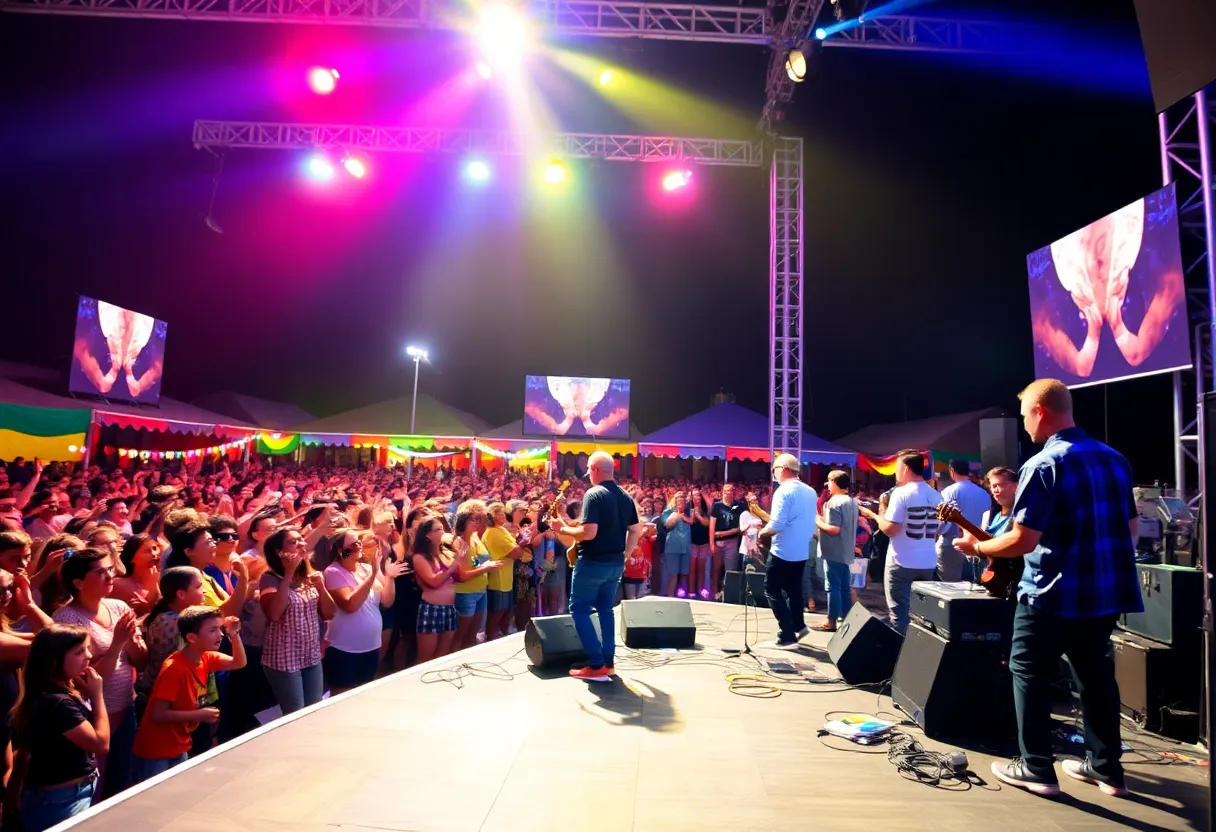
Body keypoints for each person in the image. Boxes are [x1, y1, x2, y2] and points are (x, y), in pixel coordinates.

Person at [953, 379, 1141, 798]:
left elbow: (1023, 539)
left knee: (1028, 672)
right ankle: (1107, 770)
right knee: (1095, 678)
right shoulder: (1116, 459)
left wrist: (978, 545)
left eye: (1024, 417)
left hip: (1051, 594)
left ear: (1039, 411)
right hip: (1105, 594)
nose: (1024, 426)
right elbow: (1130, 531)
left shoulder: (1043, 464)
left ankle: (1037, 768)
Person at [552, 451, 642, 682]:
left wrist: (561, 529)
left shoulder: (594, 494)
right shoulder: (624, 496)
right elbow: (635, 530)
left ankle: (596, 664)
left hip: (592, 562)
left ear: (593, 469)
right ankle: (608, 663)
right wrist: (625, 555)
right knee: (605, 609)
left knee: (580, 609)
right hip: (614, 564)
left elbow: (589, 533)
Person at [10, 625, 109, 831]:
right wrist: (98, 696)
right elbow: (100, 744)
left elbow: (25, 753)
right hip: (62, 801)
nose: (89, 656)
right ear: (55, 660)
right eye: (79, 651)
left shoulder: (51, 692)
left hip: (60, 795)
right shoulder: (58, 703)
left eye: (87, 649)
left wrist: (13, 795)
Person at [131, 607, 246, 782]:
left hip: (179, 744)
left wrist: (234, 634)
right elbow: (158, 714)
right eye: (212, 630)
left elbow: (239, 662)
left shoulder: (205, 657)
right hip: (157, 749)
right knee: (159, 799)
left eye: (220, 628)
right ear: (192, 638)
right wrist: (200, 714)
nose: (220, 635)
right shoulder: (174, 668)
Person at [859, 451, 942, 635]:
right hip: (928, 561)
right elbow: (939, 531)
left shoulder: (901, 493)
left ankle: (900, 656)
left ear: (905, 468)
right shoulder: (936, 496)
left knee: (899, 614)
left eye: (897, 467)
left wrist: (874, 516)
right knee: (922, 615)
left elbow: (891, 529)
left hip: (902, 561)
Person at [758, 453, 815, 650]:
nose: (774, 473)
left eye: (774, 469)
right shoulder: (810, 491)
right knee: (793, 589)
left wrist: (762, 533)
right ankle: (799, 625)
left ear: (782, 469)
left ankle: (787, 633)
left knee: (771, 588)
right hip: (801, 549)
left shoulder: (783, 491)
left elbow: (778, 524)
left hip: (783, 549)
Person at [813, 470, 858, 632]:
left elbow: (833, 529)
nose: (827, 485)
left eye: (829, 481)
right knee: (844, 587)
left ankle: (831, 621)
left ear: (834, 482)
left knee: (833, 587)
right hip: (846, 550)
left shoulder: (833, 503)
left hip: (833, 550)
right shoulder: (851, 502)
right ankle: (845, 620)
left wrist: (817, 522)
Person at [956, 467, 1017, 584]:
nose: (995, 490)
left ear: (1016, 486)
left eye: (1001, 485)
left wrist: (977, 548)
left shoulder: (1021, 516)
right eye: (993, 486)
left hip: (1010, 581)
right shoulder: (990, 515)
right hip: (987, 576)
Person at [935, 459, 993, 582]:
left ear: (952, 471)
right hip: (978, 545)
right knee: (974, 585)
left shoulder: (949, 491)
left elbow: (943, 521)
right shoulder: (984, 493)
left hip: (952, 543)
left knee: (950, 587)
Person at [709, 483, 746, 596]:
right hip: (718, 542)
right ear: (722, 492)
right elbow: (712, 526)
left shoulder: (739, 506)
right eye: (726, 490)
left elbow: (742, 527)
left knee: (730, 570)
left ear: (733, 492)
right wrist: (711, 544)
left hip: (731, 542)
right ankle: (714, 592)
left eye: (730, 490)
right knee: (716, 569)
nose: (728, 493)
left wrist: (725, 533)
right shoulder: (717, 506)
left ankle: (728, 593)